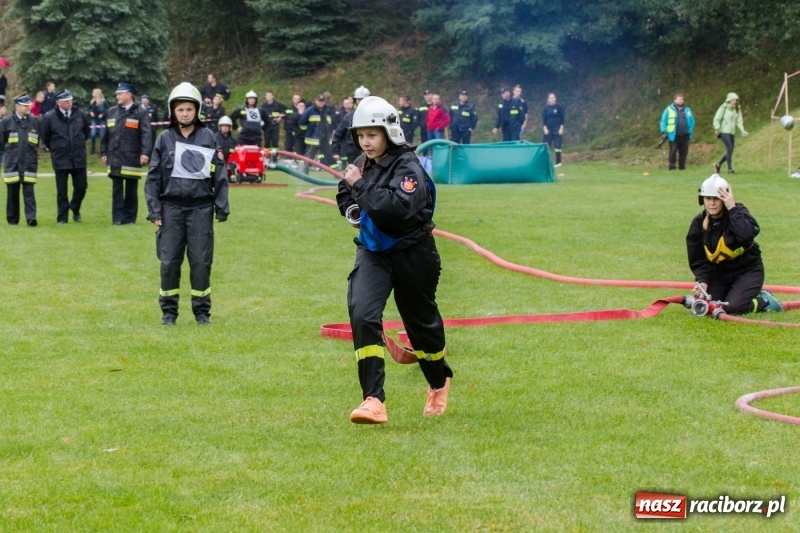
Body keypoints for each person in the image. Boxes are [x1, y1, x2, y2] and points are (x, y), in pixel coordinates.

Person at [335, 95, 453, 424]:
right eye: (360, 136)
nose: (365, 142)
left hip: (413, 254)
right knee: (362, 311)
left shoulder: (408, 167)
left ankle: (438, 381)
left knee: (422, 327)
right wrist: (352, 208)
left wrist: (359, 185)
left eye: (371, 135)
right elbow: (345, 190)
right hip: (373, 252)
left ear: (390, 132)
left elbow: (395, 208)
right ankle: (373, 399)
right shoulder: (363, 162)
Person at [145, 82, 229, 326]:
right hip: (170, 210)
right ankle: (168, 313)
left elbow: (220, 174)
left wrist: (221, 207)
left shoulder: (208, 138)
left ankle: (202, 312)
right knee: (169, 261)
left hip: (200, 209)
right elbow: (152, 178)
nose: (184, 113)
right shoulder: (163, 139)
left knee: (201, 262)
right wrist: (154, 211)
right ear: (173, 111)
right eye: (180, 109)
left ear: (197, 111)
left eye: (189, 109)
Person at [686, 174, 783, 316]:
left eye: (716, 199)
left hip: (747, 271)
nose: (711, 203)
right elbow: (698, 259)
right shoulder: (698, 223)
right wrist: (703, 281)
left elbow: (747, 234)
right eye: (708, 198)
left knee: (734, 308)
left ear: (724, 198)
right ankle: (737, 293)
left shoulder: (737, 212)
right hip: (719, 274)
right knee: (709, 304)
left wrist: (731, 207)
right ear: (702, 200)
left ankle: (764, 301)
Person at [100, 82, 153, 225]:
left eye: (120, 93)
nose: (117, 96)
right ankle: (117, 218)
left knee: (131, 188)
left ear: (129, 95)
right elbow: (106, 135)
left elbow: (146, 134)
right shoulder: (112, 111)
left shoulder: (140, 112)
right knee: (116, 188)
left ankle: (130, 218)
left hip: (132, 155)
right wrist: (104, 152)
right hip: (115, 156)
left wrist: (145, 153)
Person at [40, 89, 90, 223]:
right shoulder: (49, 117)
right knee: (62, 190)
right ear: (58, 103)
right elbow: (46, 136)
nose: (69, 103)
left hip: (78, 156)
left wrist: (77, 143)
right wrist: (56, 147)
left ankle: (74, 207)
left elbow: (86, 132)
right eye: (66, 101)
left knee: (81, 186)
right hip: (60, 156)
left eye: (70, 100)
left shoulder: (80, 114)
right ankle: (62, 217)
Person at [0, 93, 40, 226]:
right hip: (13, 162)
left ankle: (31, 218)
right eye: (26, 106)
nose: (29, 107)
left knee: (29, 191)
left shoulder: (34, 121)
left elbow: (37, 141)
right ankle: (12, 219)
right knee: (12, 193)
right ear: (17, 106)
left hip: (29, 162)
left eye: (29, 105)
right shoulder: (6, 122)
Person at [332, 86, 370, 169]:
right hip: (353, 153)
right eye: (359, 99)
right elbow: (338, 134)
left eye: (363, 99)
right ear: (355, 101)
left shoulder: (376, 115)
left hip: (371, 151)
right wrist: (335, 151)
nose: (361, 102)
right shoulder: (349, 117)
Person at [713, 92, 748, 175]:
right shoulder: (723, 107)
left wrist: (742, 130)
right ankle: (730, 169)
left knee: (730, 150)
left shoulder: (737, 109)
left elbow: (739, 121)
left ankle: (718, 165)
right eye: (733, 100)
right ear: (729, 100)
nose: (734, 101)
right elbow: (717, 118)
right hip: (724, 131)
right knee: (729, 149)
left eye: (735, 100)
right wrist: (717, 128)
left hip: (732, 132)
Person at [659, 93, 695, 171]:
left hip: (685, 134)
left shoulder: (687, 109)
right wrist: (663, 131)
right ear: (674, 100)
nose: (680, 101)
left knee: (684, 152)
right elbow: (663, 121)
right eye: (679, 99)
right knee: (673, 151)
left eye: (682, 99)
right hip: (673, 135)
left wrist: (691, 130)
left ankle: (682, 167)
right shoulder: (668, 109)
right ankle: (672, 167)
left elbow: (692, 120)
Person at [299, 94, 334, 171]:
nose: (321, 103)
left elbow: (331, 123)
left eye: (322, 101)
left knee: (329, 156)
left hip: (325, 138)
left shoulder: (328, 110)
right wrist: (309, 132)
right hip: (313, 140)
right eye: (319, 101)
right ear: (316, 101)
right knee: (310, 157)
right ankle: (305, 172)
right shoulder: (309, 111)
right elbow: (301, 123)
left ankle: (336, 172)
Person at [542, 92, 565, 167]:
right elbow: (544, 120)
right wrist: (545, 128)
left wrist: (561, 128)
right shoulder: (546, 108)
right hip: (548, 129)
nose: (552, 99)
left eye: (553, 98)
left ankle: (558, 162)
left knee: (557, 146)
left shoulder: (559, 107)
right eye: (550, 98)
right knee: (546, 145)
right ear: (548, 99)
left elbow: (562, 119)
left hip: (557, 129)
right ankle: (546, 162)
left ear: (555, 99)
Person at [88, 88, 109, 155]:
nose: (92, 94)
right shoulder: (92, 102)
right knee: (93, 134)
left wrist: (102, 114)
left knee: (102, 135)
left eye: (93, 92)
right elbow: (89, 109)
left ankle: (102, 150)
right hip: (94, 120)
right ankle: (93, 149)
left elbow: (107, 110)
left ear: (97, 94)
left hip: (102, 120)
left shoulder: (104, 101)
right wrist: (90, 112)